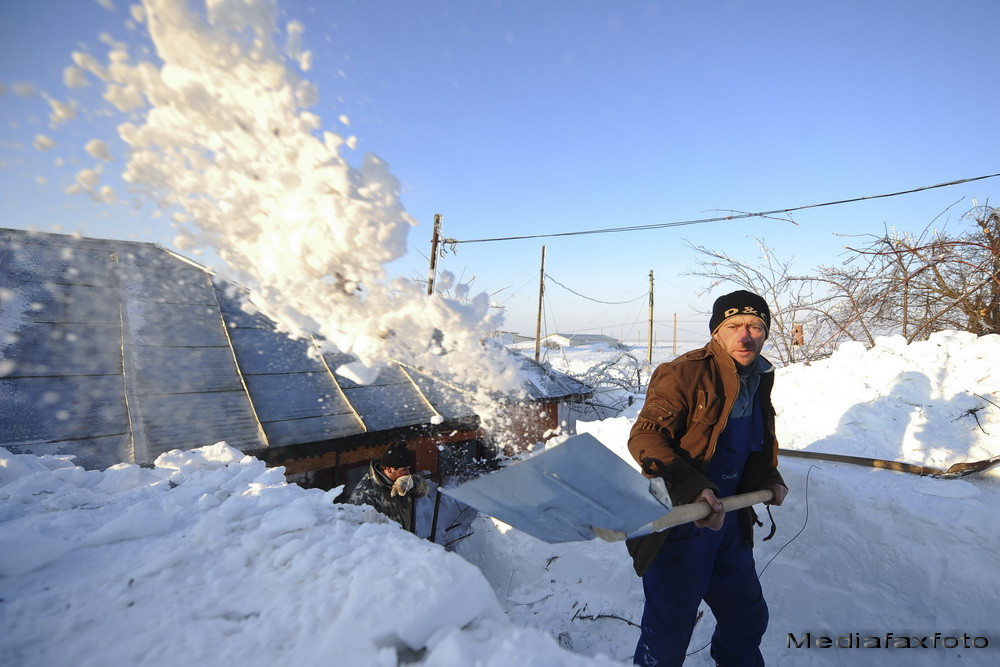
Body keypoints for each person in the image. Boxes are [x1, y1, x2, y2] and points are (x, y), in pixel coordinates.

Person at [627, 290, 789, 666]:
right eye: (734, 326)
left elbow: (751, 445)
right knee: (667, 634)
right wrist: (692, 487)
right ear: (717, 331)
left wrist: (770, 476)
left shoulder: (760, 377)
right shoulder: (683, 373)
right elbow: (646, 437)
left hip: (730, 520)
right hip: (682, 521)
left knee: (748, 618)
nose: (745, 335)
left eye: (755, 326)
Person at [348, 442, 428, 532]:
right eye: (404, 469)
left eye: (408, 468)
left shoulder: (404, 482)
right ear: (389, 469)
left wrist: (414, 483)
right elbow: (362, 533)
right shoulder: (364, 494)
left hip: (404, 541)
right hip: (385, 544)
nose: (408, 473)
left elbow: (423, 491)